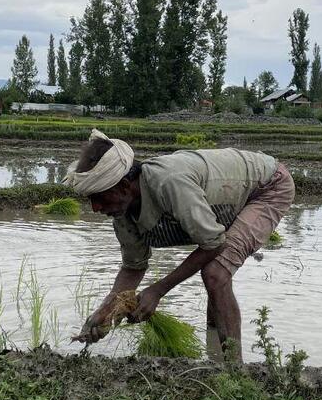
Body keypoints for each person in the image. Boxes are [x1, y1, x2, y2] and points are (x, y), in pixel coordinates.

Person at [69, 129, 294, 358]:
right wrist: (107, 311)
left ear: (125, 186)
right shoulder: (122, 214)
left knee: (215, 272)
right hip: (223, 201)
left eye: (99, 197)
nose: (95, 208)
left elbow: (214, 244)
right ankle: (215, 352)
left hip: (267, 186)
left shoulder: (169, 183)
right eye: (91, 200)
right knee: (216, 275)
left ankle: (234, 370)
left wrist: (158, 290)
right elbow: (133, 267)